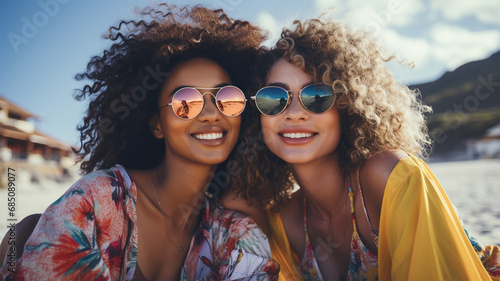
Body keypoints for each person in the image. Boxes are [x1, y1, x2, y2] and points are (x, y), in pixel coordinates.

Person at [0, 5, 279, 280]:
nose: (210, 114)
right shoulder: (98, 201)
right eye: (186, 102)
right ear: (157, 124)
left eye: (226, 98)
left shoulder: (235, 233)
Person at [225, 17, 500, 280]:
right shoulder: (285, 222)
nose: (294, 113)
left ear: (347, 107)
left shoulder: (391, 177)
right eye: (274, 97)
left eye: (317, 96)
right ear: (257, 117)